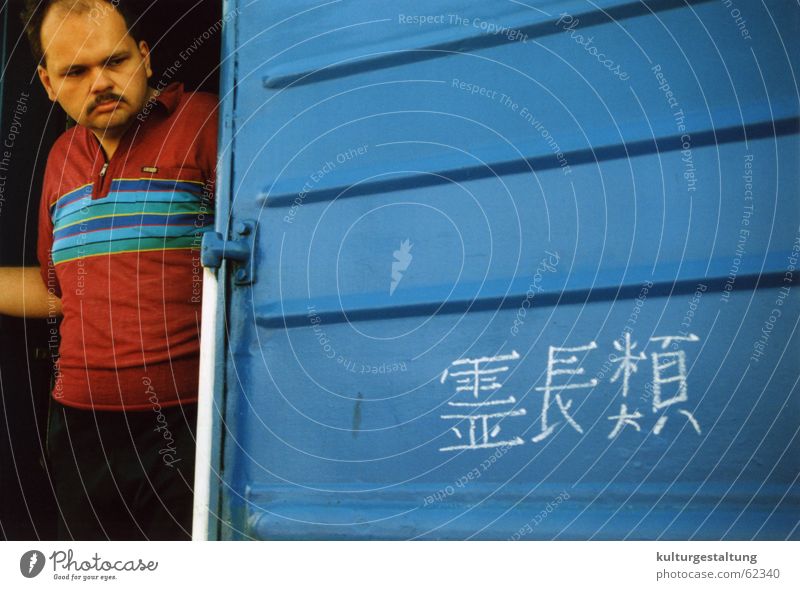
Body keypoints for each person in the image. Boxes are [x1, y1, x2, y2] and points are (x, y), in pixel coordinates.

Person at [0, 0, 218, 539]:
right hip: (78, 429)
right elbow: (59, 293)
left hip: (186, 418)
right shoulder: (60, 157)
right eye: (76, 71)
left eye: (114, 61)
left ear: (145, 58)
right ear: (49, 84)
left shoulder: (207, 123)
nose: (100, 82)